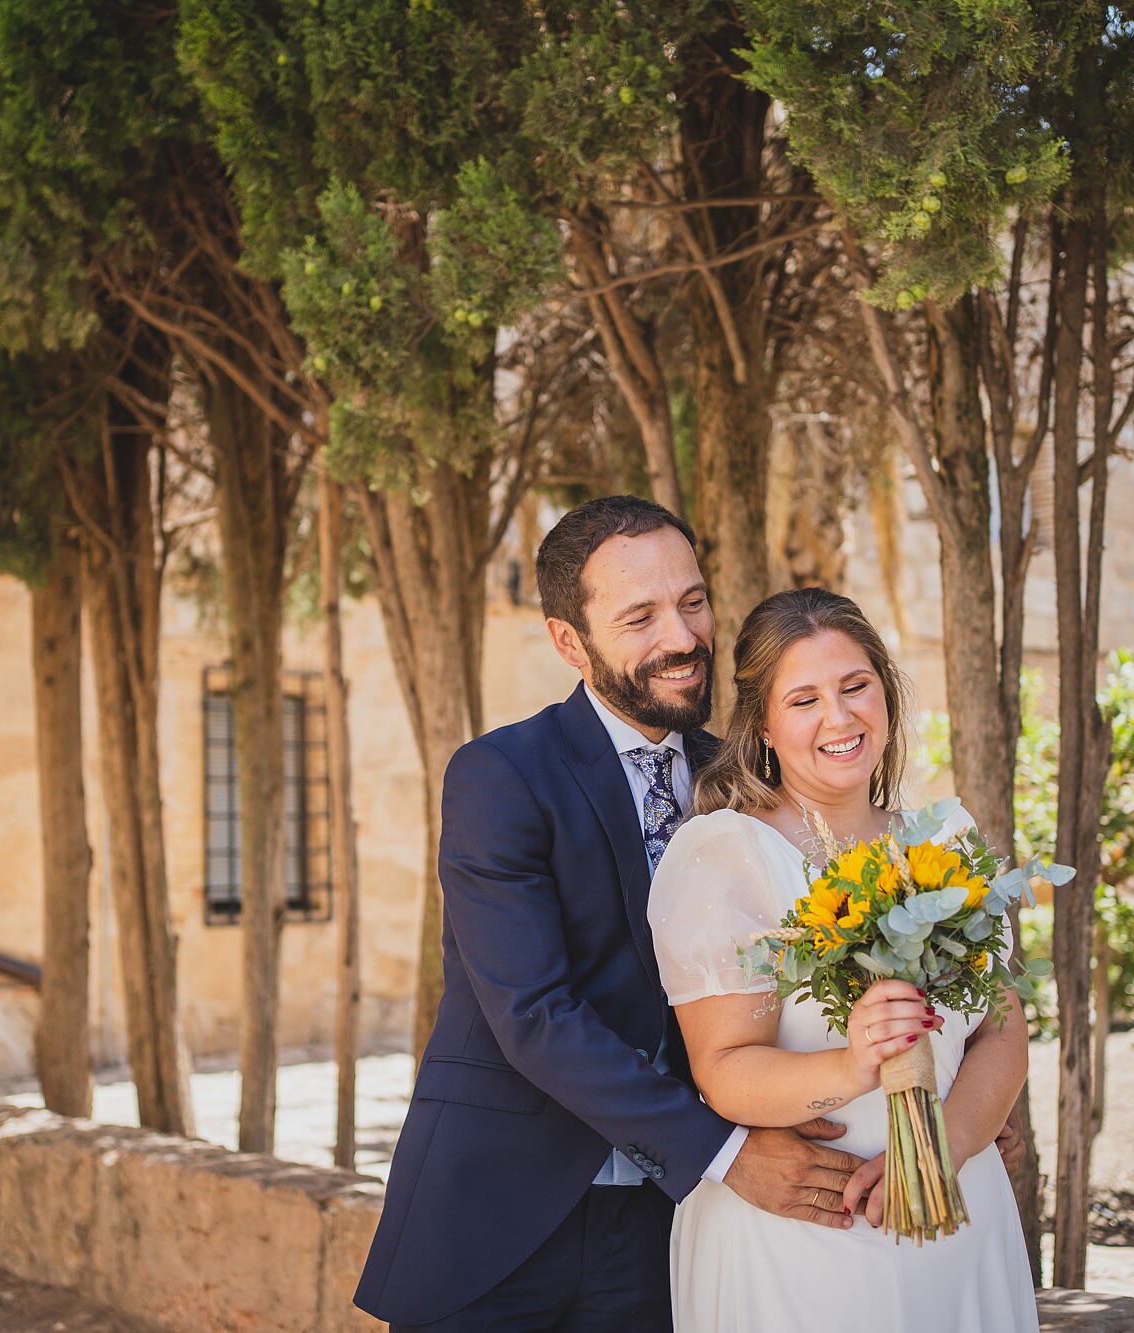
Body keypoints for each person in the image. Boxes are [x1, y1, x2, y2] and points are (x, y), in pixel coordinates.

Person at [354, 496, 1023, 1331]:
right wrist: (726, 1151)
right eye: (640, 616)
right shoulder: (504, 775)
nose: (681, 636)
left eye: (693, 601)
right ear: (569, 640)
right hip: (507, 1211)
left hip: (662, 1224)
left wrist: (949, 1115)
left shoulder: (750, 781)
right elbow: (534, 1014)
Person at [649, 586, 1040, 1332]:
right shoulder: (726, 854)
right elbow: (723, 1069)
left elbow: (1001, 1027)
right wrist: (855, 1065)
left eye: (855, 685)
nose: (839, 717)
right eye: (804, 700)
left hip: (959, 1219)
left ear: (886, 693)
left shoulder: (943, 840)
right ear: (763, 725)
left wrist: (949, 1145)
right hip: (804, 1244)